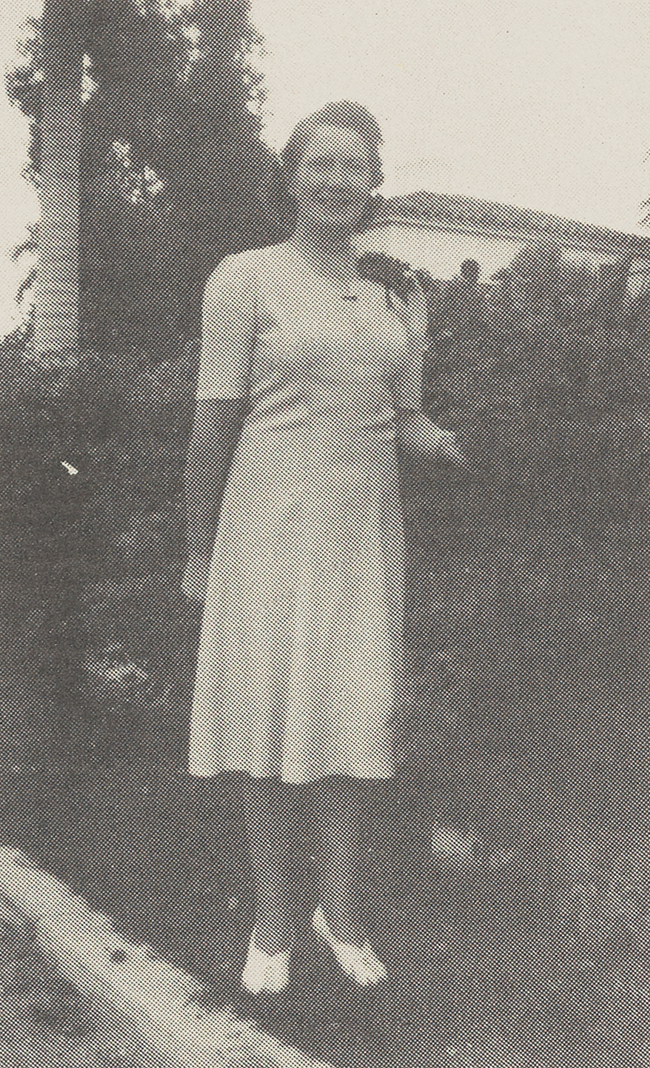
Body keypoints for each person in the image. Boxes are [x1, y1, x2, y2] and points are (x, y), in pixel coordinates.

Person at [182, 100, 466, 997]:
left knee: (351, 724)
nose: (339, 180)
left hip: (361, 542)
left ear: (373, 181)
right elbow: (211, 426)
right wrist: (197, 552)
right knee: (266, 728)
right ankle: (273, 913)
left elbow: (406, 419)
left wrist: (471, 448)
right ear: (292, 176)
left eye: (355, 165)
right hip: (265, 535)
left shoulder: (398, 294)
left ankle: (336, 911)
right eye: (322, 163)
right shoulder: (244, 278)